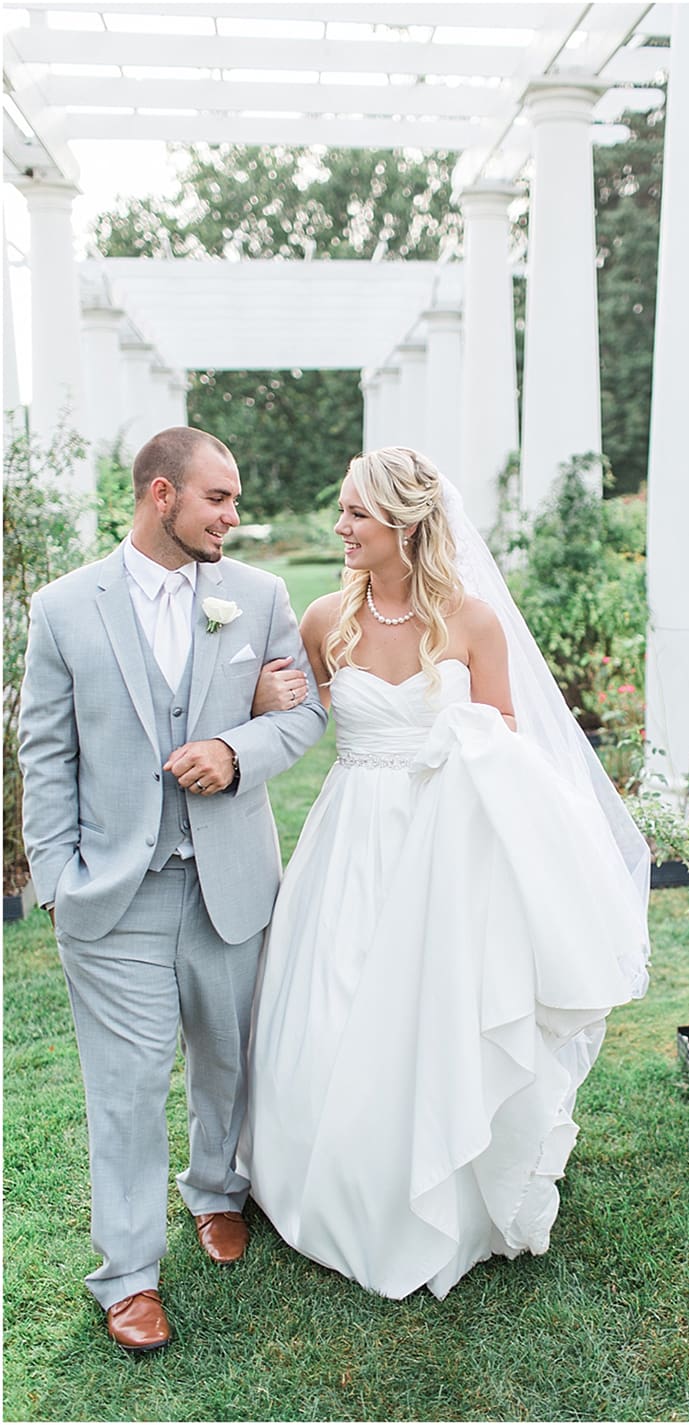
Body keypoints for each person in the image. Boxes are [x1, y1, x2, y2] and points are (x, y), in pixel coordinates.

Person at [241, 446, 649, 1300]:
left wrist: (465, 740)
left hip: (446, 841)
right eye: (343, 511)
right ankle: (330, 1174)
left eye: (356, 513)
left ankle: (443, 1180)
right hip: (350, 838)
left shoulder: (471, 623)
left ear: (406, 523)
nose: (341, 526)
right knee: (332, 999)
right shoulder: (324, 619)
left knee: (437, 1003)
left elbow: (505, 734)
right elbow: (306, 717)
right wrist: (265, 705)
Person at [18, 427, 328, 1352]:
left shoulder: (259, 597)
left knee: (227, 1059)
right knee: (126, 1083)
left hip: (231, 882)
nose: (233, 517)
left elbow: (308, 711)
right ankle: (127, 1275)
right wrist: (56, 881)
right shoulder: (65, 608)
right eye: (218, 500)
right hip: (114, 893)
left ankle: (217, 1191)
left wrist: (235, 750)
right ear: (162, 495)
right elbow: (45, 751)